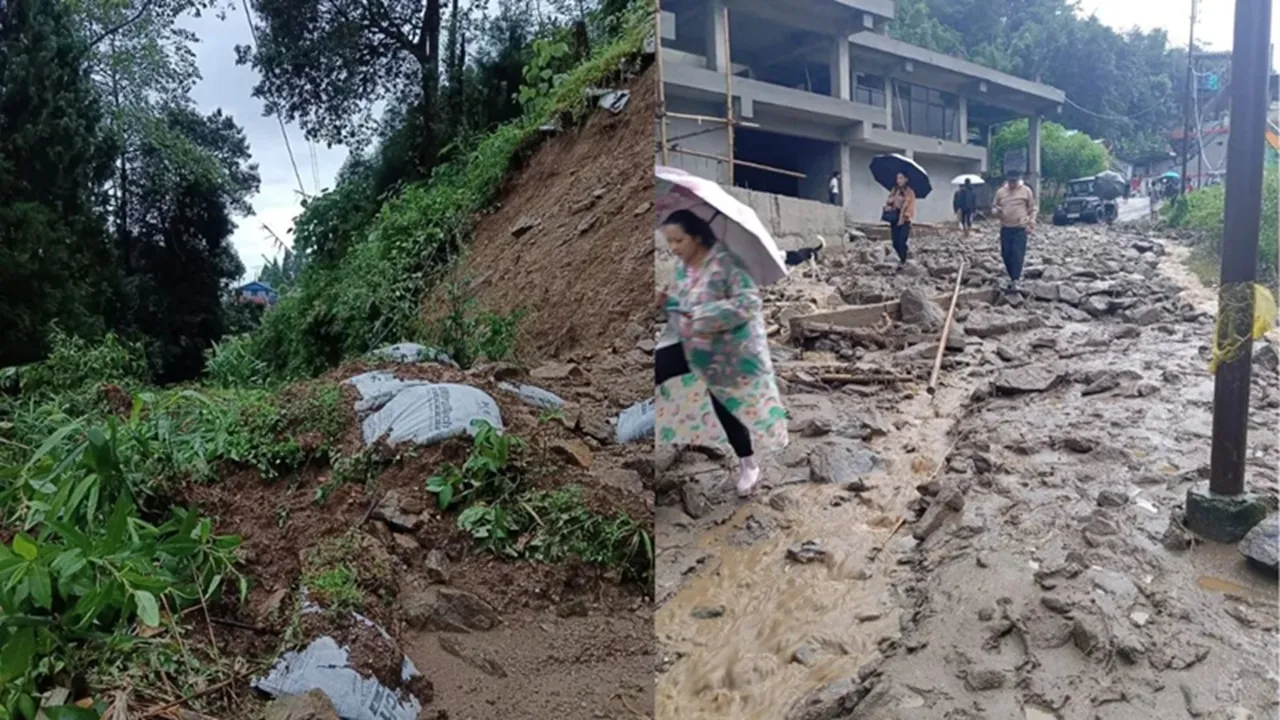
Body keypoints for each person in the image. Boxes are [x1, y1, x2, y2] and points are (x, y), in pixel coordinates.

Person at [654, 210, 788, 498]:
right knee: (658, 366)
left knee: (725, 404)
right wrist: (669, 301)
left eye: (679, 240)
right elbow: (683, 305)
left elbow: (748, 303)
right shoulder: (683, 268)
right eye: (670, 242)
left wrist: (702, 312)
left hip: (729, 350)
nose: (675, 248)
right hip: (695, 344)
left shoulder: (728, 264)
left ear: (697, 236)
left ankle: (748, 464)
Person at [991, 170, 1036, 293]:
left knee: (1017, 253)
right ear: (1007, 181)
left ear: (1018, 180)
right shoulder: (1001, 192)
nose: (1012, 184)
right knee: (1006, 254)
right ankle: (1011, 276)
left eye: (1014, 181)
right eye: (1010, 181)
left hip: (1020, 227)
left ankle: (1015, 279)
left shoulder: (1026, 191)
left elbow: (1032, 209)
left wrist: (1031, 223)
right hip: (1006, 227)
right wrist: (996, 211)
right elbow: (994, 207)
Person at [884, 172, 916, 267]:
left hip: (905, 219)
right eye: (898, 178)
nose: (899, 180)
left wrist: (906, 216)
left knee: (902, 241)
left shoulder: (910, 192)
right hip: (894, 217)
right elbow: (888, 201)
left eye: (901, 178)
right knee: (895, 242)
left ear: (906, 179)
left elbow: (911, 206)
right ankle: (902, 258)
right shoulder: (894, 190)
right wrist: (891, 201)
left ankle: (903, 259)